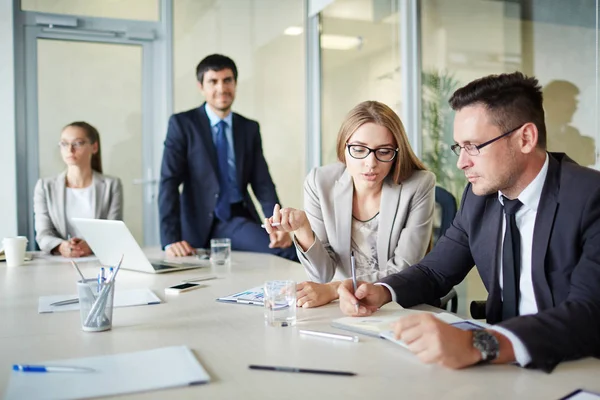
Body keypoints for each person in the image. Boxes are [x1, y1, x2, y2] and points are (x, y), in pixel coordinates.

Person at [338, 72, 600, 372]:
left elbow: (588, 313)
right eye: (458, 147)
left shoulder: (590, 198)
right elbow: (435, 271)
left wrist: (477, 344)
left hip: (576, 367)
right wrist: (380, 291)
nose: (462, 162)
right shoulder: (480, 198)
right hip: (501, 370)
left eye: (473, 146)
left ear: (525, 138)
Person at [264, 101, 435, 308]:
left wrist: (336, 289)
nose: (371, 163)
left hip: (398, 304)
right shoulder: (320, 183)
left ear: (397, 152)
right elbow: (322, 275)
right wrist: (303, 229)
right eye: (359, 149)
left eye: (384, 151)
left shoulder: (419, 185)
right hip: (342, 306)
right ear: (344, 147)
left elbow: (404, 268)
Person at [158, 54, 296, 260]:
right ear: (201, 86)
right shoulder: (183, 124)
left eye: (227, 80)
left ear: (235, 83)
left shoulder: (248, 128)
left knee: (288, 250)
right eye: (213, 81)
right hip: (195, 225)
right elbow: (168, 182)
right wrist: (171, 239)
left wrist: (277, 225)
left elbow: (263, 183)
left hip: (235, 219)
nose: (221, 89)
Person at [34, 121, 123, 257]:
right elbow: (43, 233)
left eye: (78, 143)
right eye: (64, 144)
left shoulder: (111, 185)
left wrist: (90, 245)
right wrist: (61, 246)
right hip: (59, 262)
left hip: (98, 260)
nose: (70, 149)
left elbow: (113, 231)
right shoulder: (45, 186)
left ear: (94, 147)